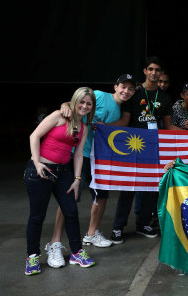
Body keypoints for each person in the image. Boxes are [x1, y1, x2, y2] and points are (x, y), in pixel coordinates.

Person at [46, 74, 136, 266]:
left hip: (100, 156)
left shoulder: (122, 111)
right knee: (68, 196)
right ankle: (55, 242)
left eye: (130, 89)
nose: (126, 91)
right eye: (123, 87)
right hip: (78, 152)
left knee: (102, 194)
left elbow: (120, 125)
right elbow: (74, 103)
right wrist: (64, 104)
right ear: (116, 86)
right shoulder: (99, 96)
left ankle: (91, 233)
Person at [25, 87, 97, 275]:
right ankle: (32, 257)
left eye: (88, 103)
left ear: (92, 107)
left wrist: (77, 179)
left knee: (71, 212)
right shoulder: (58, 116)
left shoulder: (84, 128)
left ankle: (76, 252)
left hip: (63, 172)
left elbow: (79, 154)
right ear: (74, 101)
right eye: (81, 102)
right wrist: (37, 161)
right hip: (40, 170)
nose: (84, 106)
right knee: (37, 216)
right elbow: (34, 136)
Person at [112, 56, 181, 244]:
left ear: (160, 73)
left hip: (152, 147)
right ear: (145, 71)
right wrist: (104, 126)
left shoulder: (165, 97)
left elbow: (167, 126)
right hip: (132, 146)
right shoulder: (135, 93)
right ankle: (118, 227)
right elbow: (125, 122)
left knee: (150, 187)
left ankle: (143, 224)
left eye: (157, 70)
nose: (153, 73)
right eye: (150, 69)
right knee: (128, 188)